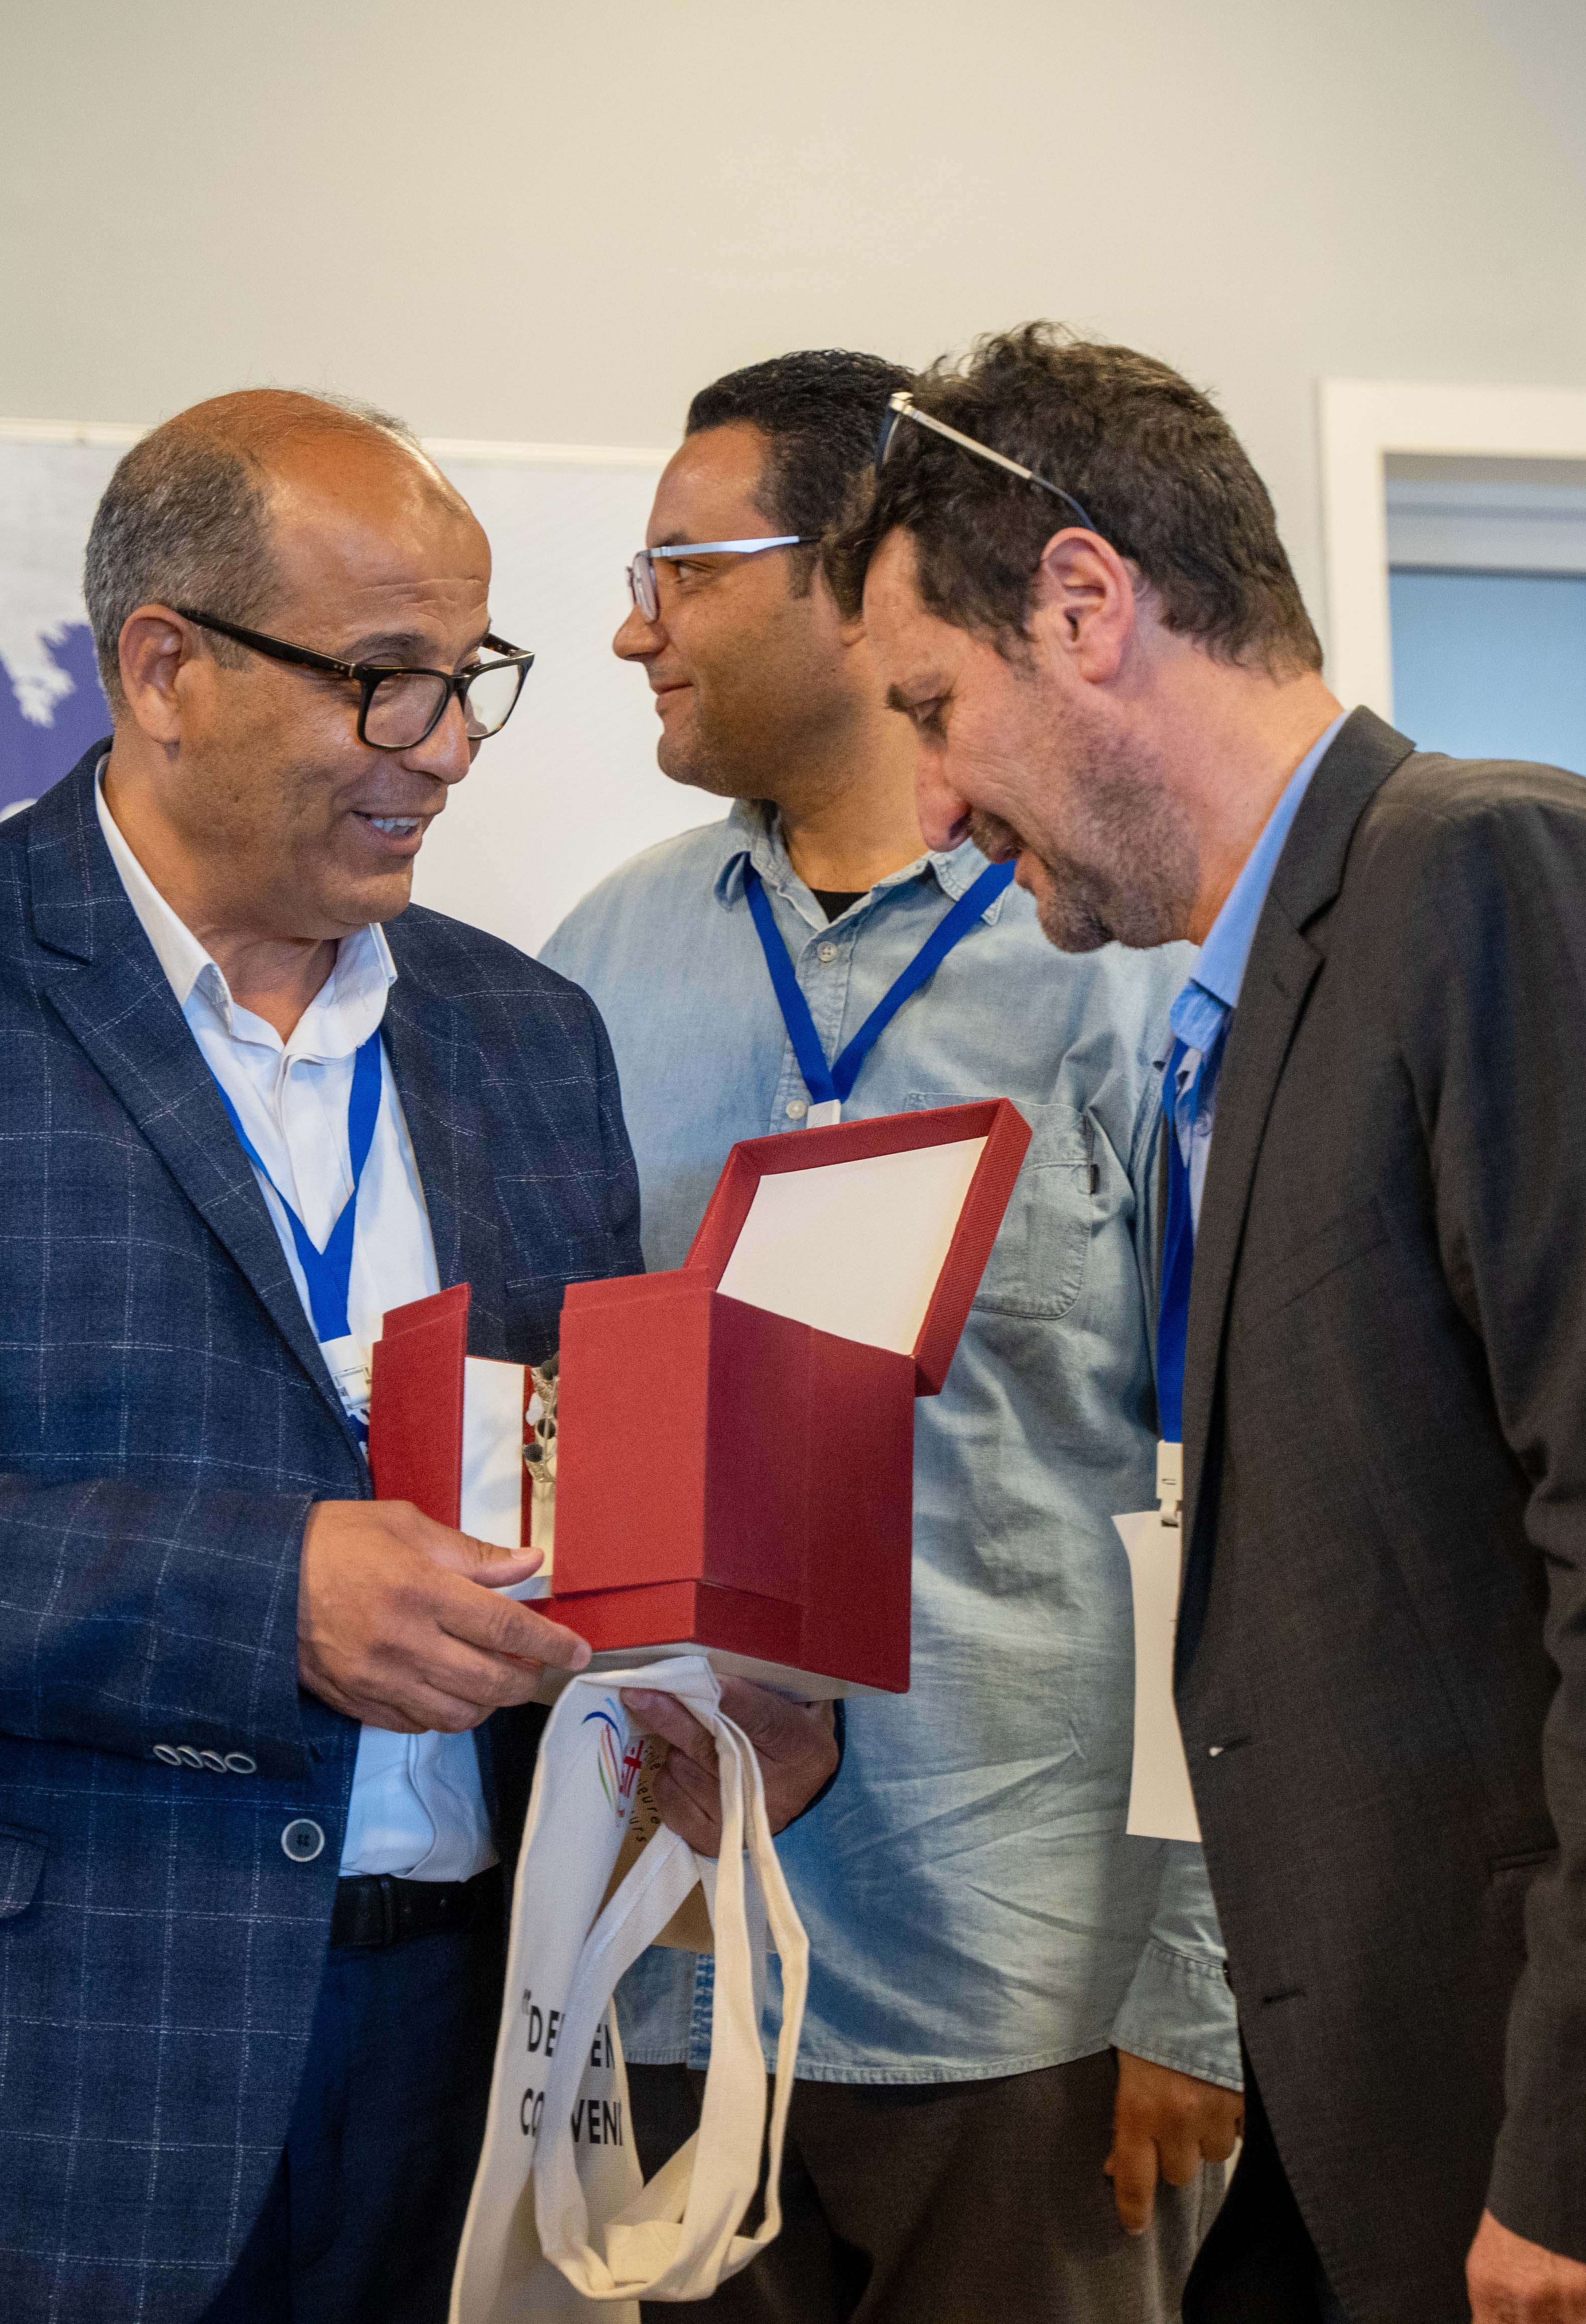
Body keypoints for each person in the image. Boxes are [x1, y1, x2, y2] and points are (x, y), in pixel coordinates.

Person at [836, 321, 1586, 2324]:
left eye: (936, 709)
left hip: (1576, 2153)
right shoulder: (1276, 979)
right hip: (1387, 2106)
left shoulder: (1493, 874)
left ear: (1088, 605)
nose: (931, 803)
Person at [0, 392, 635, 2324]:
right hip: (18, 2079)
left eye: (468, 679)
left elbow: (579, 1482)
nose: (446, 746)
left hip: (462, 2065)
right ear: (165, 667)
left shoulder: (530, 1032)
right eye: (383, 679)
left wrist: (694, 1688)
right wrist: (264, 1596)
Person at [540, 350, 1243, 2321]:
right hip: (665, 1973)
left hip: (1024, 1997)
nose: (632, 629)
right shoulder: (591, 970)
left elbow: (1239, 1491)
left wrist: (1200, 1984)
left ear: (853, 570)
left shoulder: (1122, 965)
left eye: (678, 571)